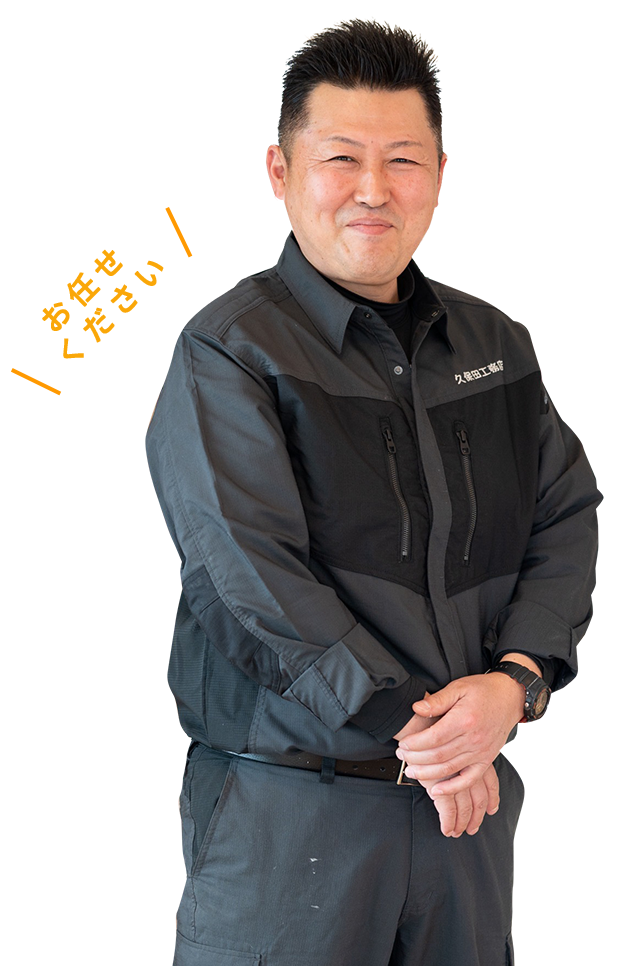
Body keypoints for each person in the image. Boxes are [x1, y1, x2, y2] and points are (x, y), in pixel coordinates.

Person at [146, 17, 601, 966]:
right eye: (341, 158)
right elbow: (252, 578)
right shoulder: (230, 350)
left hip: (463, 822)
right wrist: (424, 734)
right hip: (291, 813)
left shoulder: (496, 345)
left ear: (441, 173)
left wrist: (515, 685)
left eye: (403, 160)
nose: (372, 189)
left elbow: (565, 517)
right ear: (279, 171)